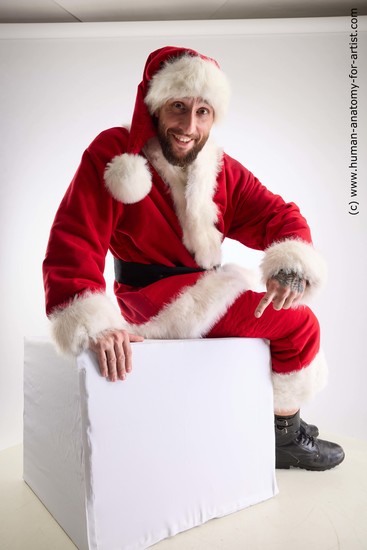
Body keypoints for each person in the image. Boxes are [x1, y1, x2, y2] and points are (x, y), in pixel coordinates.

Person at [43, 45, 344, 471]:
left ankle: (266, 426)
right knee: (299, 325)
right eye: (178, 107)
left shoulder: (220, 167)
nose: (189, 126)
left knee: (288, 307)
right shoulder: (115, 153)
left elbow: (278, 214)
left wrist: (291, 267)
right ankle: (285, 435)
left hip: (202, 288)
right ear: (154, 106)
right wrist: (92, 322)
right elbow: (74, 237)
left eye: (203, 112)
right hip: (151, 299)